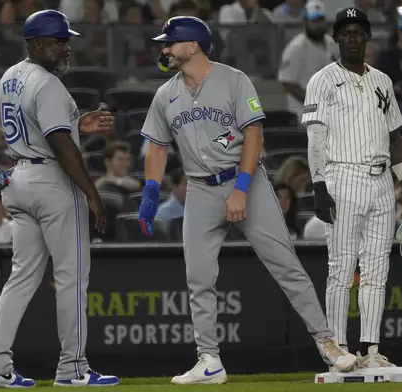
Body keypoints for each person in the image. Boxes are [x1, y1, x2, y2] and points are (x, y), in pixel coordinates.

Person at [138, 16, 356, 385]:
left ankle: (328, 343)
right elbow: (157, 147)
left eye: (169, 43)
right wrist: (148, 192)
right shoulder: (166, 94)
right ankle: (209, 360)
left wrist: (240, 188)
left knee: (286, 264)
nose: (164, 49)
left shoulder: (233, 80)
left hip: (246, 181)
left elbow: (252, 135)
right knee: (199, 278)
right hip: (200, 189)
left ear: (192, 47)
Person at [0, 10, 118, 389]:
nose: (65, 46)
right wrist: (93, 195)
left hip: (18, 176)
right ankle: (73, 369)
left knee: (21, 277)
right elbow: (62, 148)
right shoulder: (49, 84)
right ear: (37, 43)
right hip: (51, 180)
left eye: (65, 39)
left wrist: (77, 123)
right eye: (58, 40)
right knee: (72, 278)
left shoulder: (10, 76)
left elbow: (47, 128)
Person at [302, 7, 402, 369]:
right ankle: (339, 351)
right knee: (341, 268)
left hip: (380, 182)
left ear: (367, 37)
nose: (352, 37)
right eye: (345, 32)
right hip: (342, 176)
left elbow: (394, 139)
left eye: (358, 31)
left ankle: (372, 351)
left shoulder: (382, 81)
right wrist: (318, 186)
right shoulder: (323, 80)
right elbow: (316, 138)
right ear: (336, 38)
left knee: (377, 269)